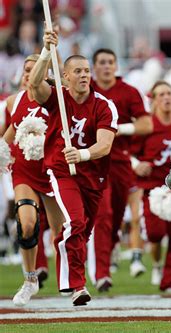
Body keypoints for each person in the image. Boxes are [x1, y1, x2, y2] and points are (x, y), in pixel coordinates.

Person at [29, 28, 118, 305]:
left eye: (86, 70)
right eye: (77, 71)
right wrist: (46, 50)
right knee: (74, 222)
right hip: (60, 170)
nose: (83, 75)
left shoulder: (104, 105)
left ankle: (70, 276)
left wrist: (81, 155)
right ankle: (77, 285)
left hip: (92, 175)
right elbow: (34, 85)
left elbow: (105, 145)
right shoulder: (57, 97)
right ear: (65, 77)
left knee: (81, 232)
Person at [87, 48, 152, 292]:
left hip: (121, 161)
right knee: (102, 214)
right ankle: (102, 273)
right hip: (93, 161)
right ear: (94, 66)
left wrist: (117, 129)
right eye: (101, 62)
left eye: (110, 62)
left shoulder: (128, 91)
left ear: (116, 65)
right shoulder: (87, 89)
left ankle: (112, 245)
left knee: (115, 218)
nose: (106, 66)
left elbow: (146, 124)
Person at [3, 54, 65, 306]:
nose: (30, 73)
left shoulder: (58, 99)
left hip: (52, 172)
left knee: (61, 233)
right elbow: (10, 132)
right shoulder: (12, 101)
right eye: (26, 69)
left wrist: (49, 49)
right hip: (24, 172)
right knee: (26, 225)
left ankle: (73, 280)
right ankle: (30, 280)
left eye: (35, 69)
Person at [134, 80, 171, 292]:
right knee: (155, 234)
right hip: (152, 190)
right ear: (154, 100)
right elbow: (127, 151)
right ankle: (157, 264)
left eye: (169, 93)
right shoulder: (146, 126)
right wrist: (136, 164)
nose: (167, 97)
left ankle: (168, 280)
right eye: (162, 94)